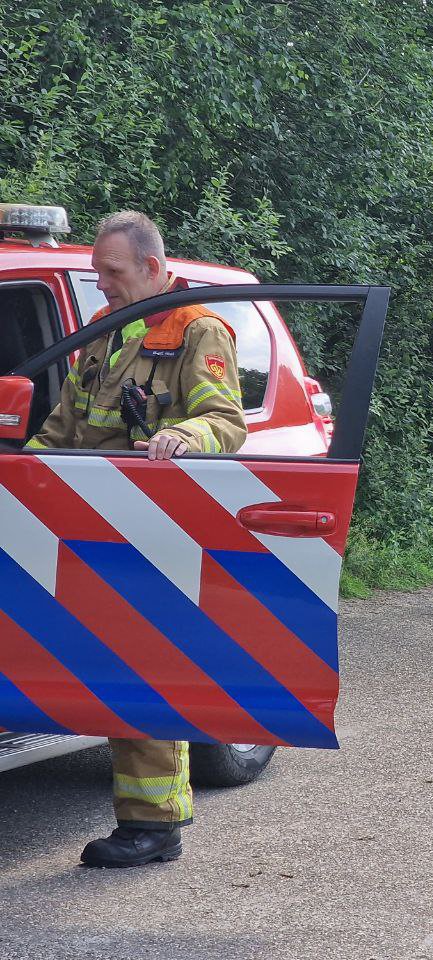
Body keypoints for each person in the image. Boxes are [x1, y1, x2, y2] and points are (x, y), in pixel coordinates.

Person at [27, 210, 246, 867]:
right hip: (84, 525)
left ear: (152, 268)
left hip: (154, 531)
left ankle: (153, 827)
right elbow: (62, 430)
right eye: (96, 273)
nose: (101, 286)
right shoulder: (102, 334)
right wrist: (20, 484)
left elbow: (226, 422)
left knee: (142, 672)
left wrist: (187, 437)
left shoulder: (198, 329)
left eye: (112, 273)